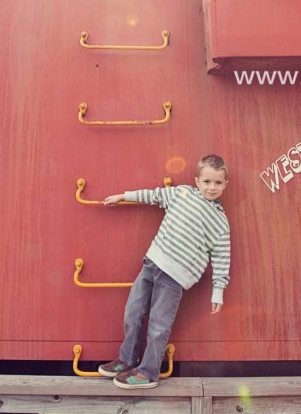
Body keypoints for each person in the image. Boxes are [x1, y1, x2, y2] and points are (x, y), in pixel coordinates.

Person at [97, 154, 231, 389]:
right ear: (197, 181)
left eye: (218, 183)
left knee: (159, 326)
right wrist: (123, 196)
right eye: (207, 181)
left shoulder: (220, 222)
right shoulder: (181, 193)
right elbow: (153, 195)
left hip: (175, 276)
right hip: (152, 263)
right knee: (133, 311)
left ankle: (148, 372)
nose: (212, 187)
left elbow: (222, 257)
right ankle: (127, 359)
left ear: (225, 185)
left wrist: (218, 290)